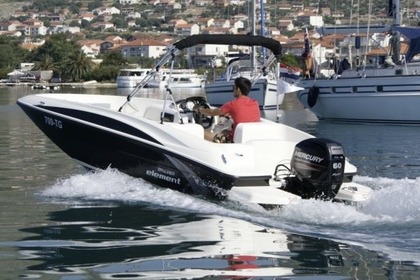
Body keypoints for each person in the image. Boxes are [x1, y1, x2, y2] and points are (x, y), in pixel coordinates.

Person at [195, 77, 261, 142]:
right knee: (224, 131)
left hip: (235, 140)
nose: (233, 90)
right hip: (250, 137)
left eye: (233, 87)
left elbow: (212, 112)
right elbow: (243, 113)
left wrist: (200, 110)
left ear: (238, 89)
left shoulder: (232, 104)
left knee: (202, 132)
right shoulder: (255, 102)